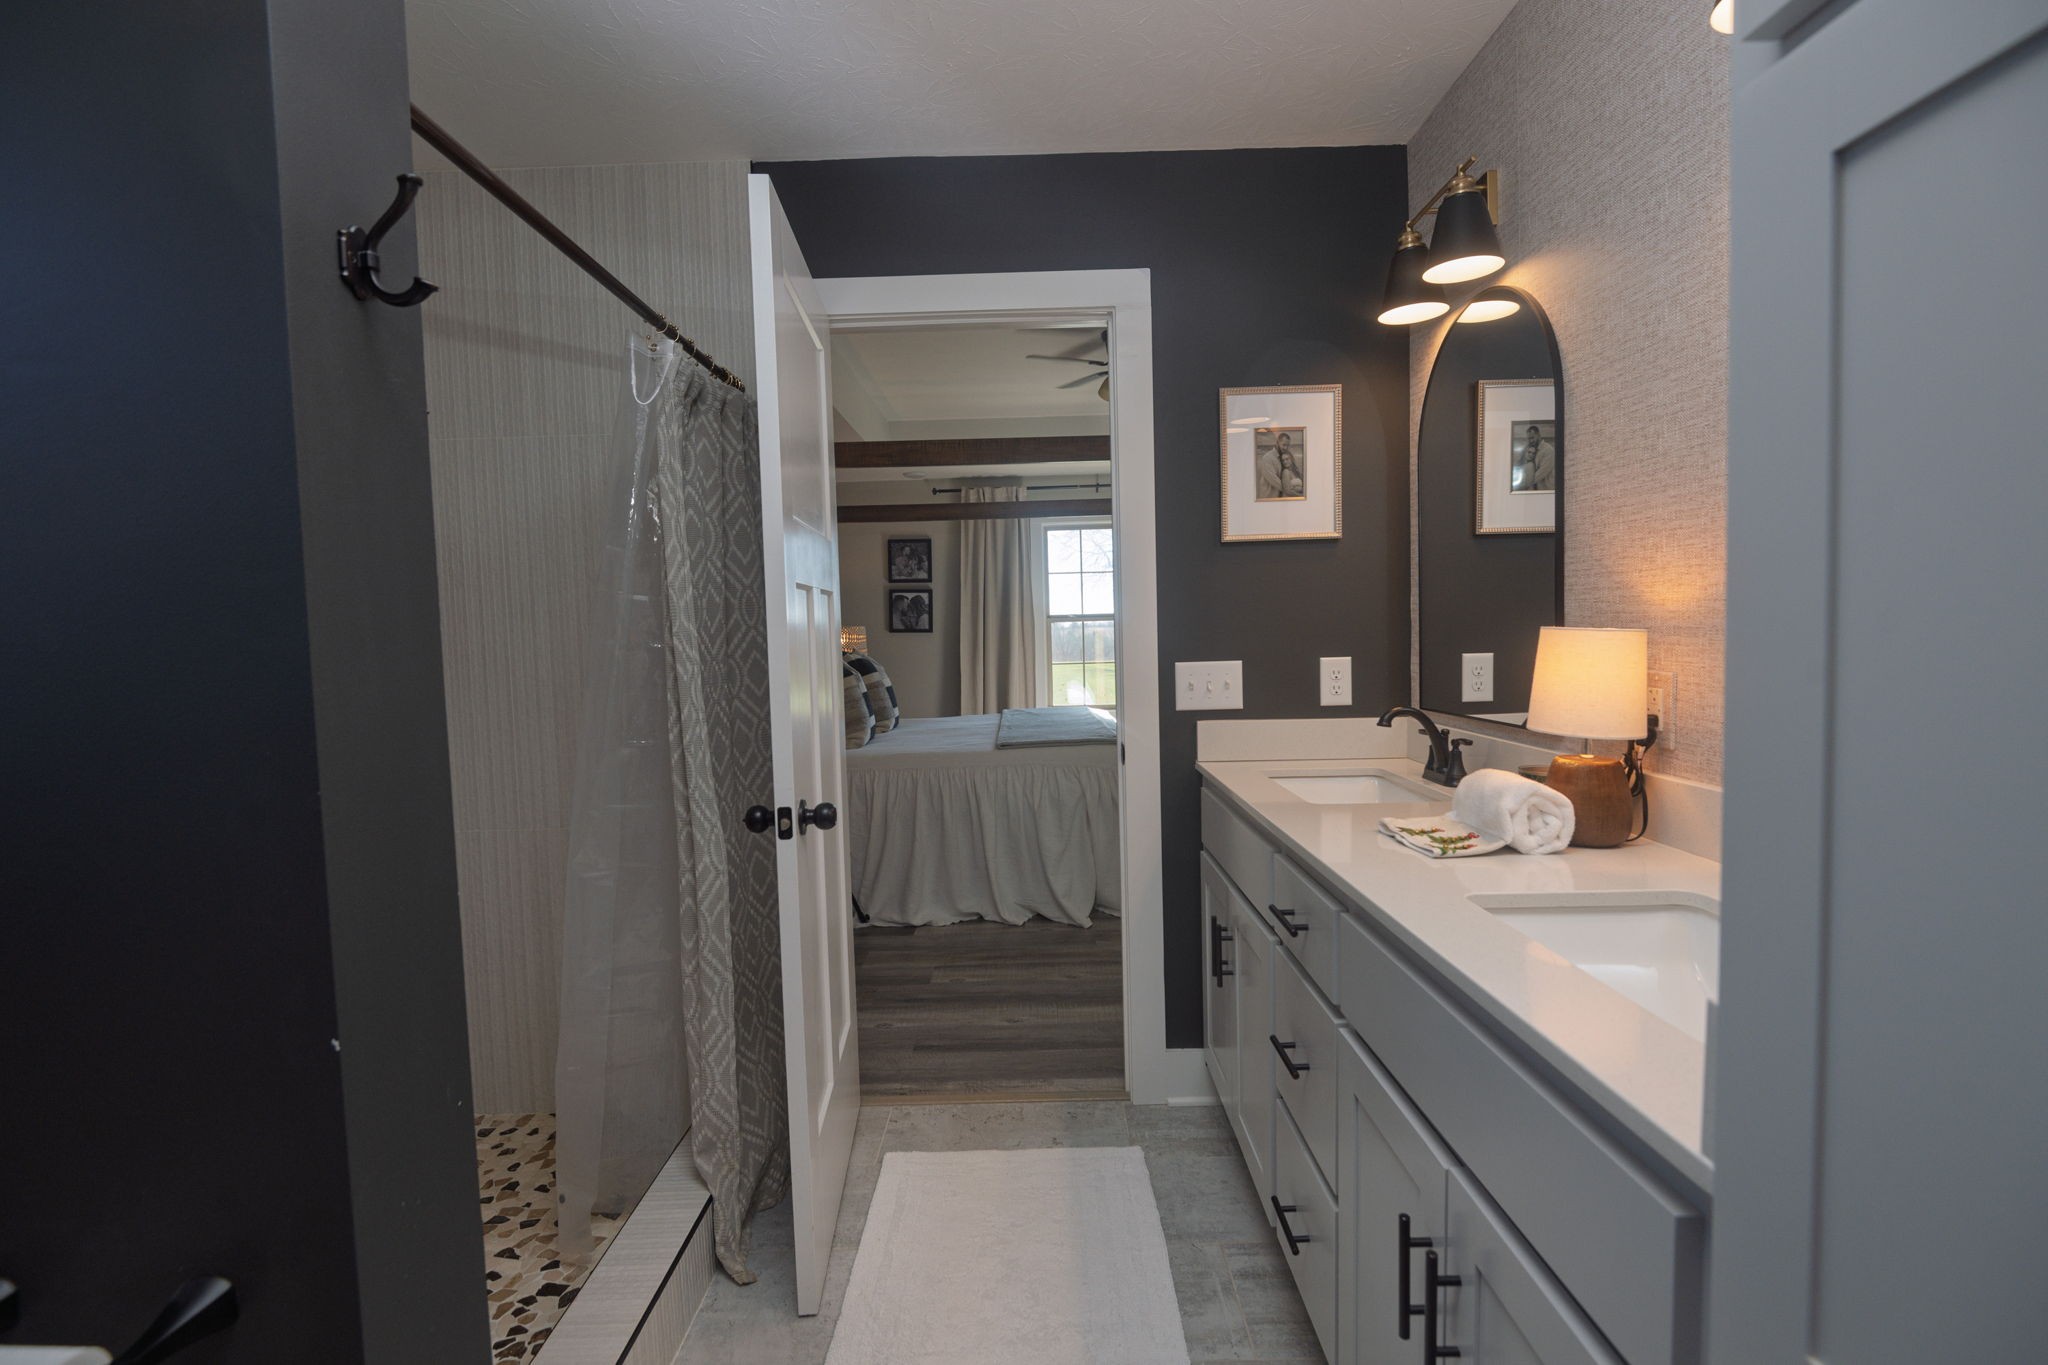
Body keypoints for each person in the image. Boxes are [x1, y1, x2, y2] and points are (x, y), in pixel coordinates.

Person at [1513, 423, 1555, 491]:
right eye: (1529, 438)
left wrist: (1519, 484)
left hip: (1546, 490)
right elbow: (1519, 464)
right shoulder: (1528, 448)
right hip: (1533, 489)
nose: (1531, 441)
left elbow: (1540, 474)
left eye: (1532, 438)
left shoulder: (1548, 450)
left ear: (1539, 435)